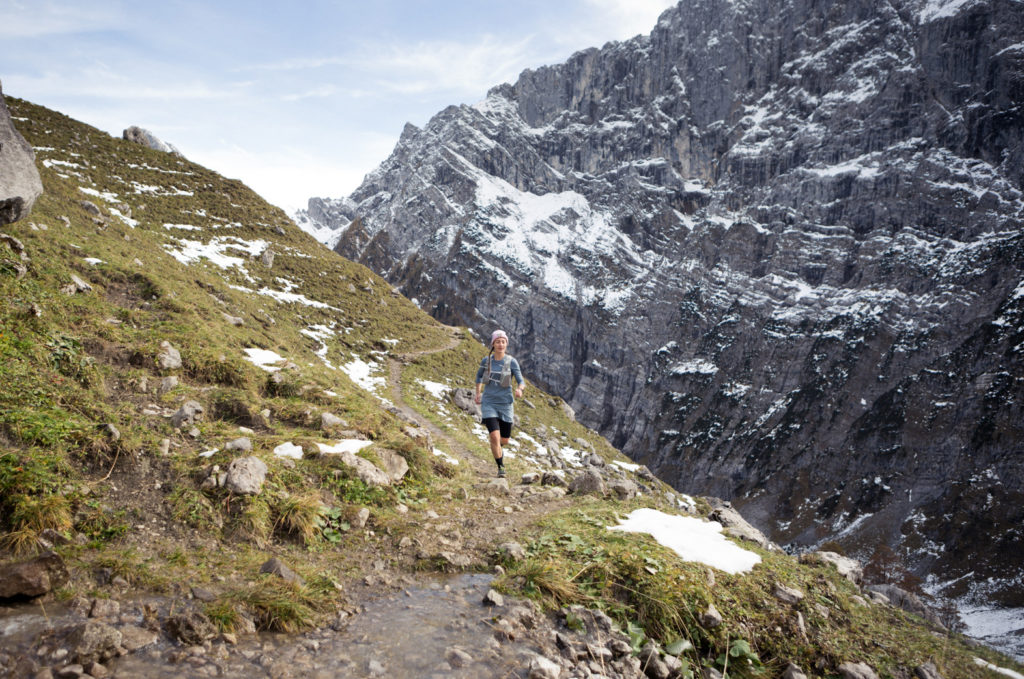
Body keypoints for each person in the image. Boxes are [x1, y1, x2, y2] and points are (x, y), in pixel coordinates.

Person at [474, 329, 525, 477]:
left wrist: (519, 389)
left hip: (505, 404)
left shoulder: (511, 362)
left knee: (504, 440)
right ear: (493, 344)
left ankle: (497, 446)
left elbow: (521, 380)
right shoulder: (486, 361)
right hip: (489, 402)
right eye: (498, 342)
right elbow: (478, 377)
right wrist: (478, 393)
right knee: (495, 437)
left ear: (506, 344)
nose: (500, 344)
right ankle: (501, 467)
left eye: (503, 342)